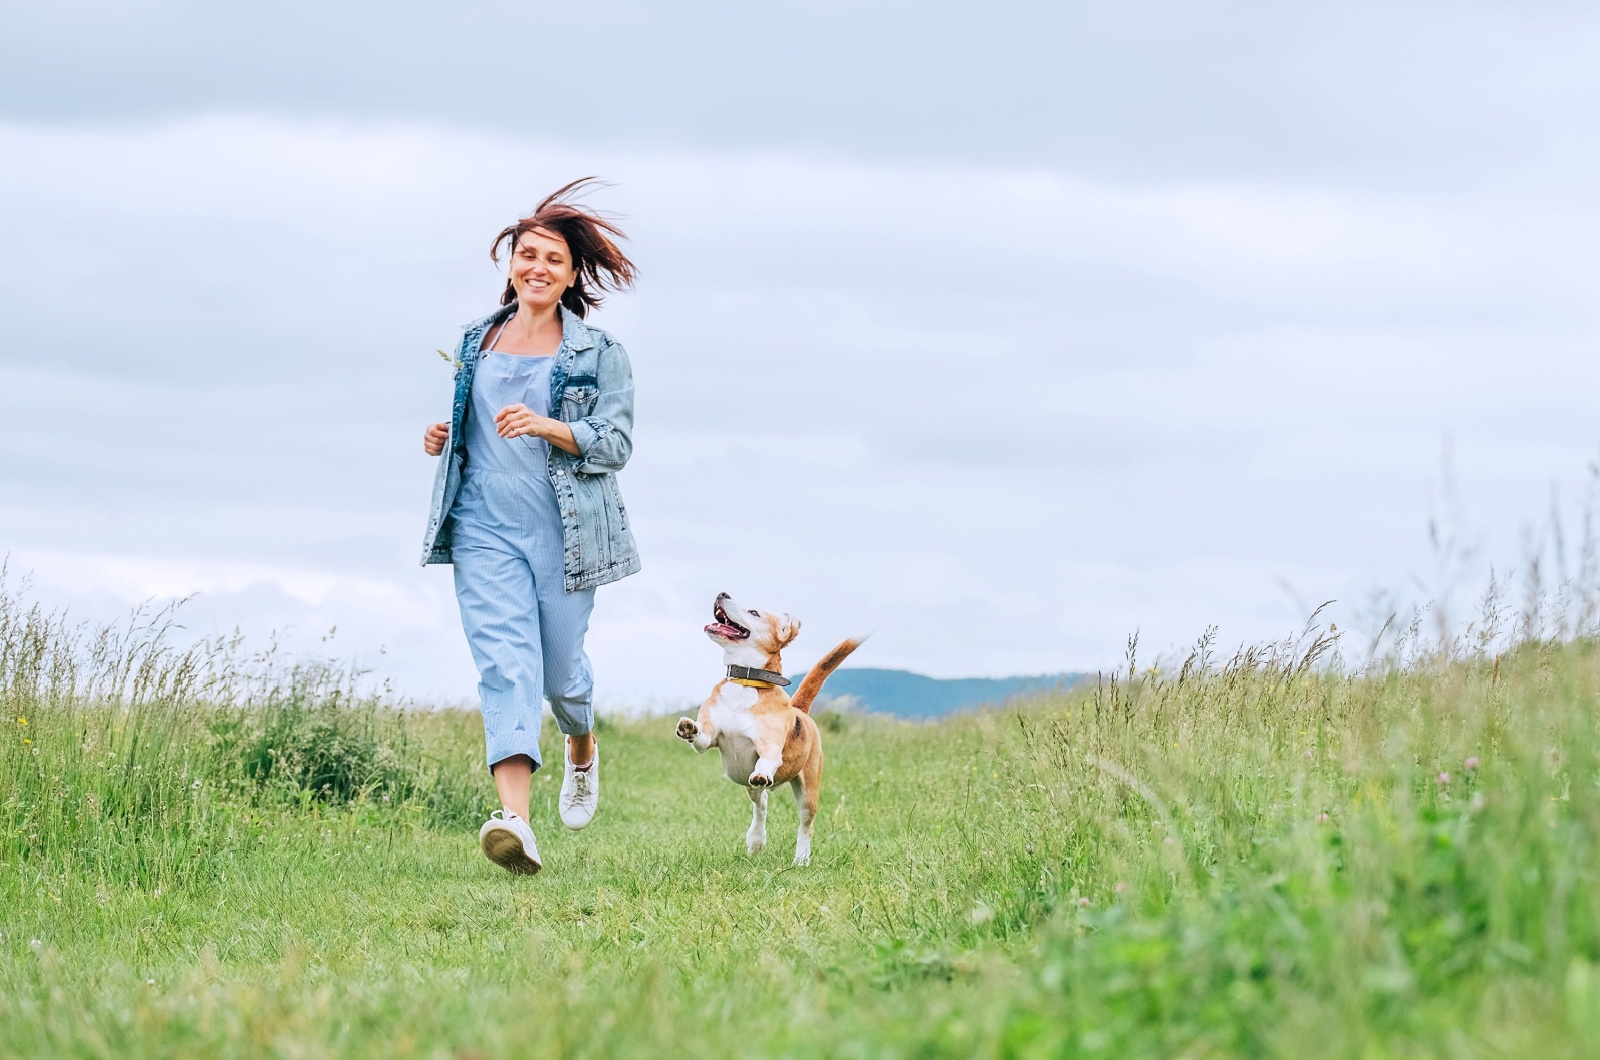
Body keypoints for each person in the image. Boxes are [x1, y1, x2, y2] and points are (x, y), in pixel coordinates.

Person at [420, 178, 640, 875]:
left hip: (567, 534)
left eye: (552, 259)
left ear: (572, 275)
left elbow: (616, 445)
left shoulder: (598, 353)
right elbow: (474, 424)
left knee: (561, 677)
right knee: (505, 668)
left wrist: (550, 426)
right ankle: (514, 821)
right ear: (509, 263)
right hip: (483, 529)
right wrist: (443, 435)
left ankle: (581, 745)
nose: (537, 268)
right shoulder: (475, 339)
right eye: (527, 255)